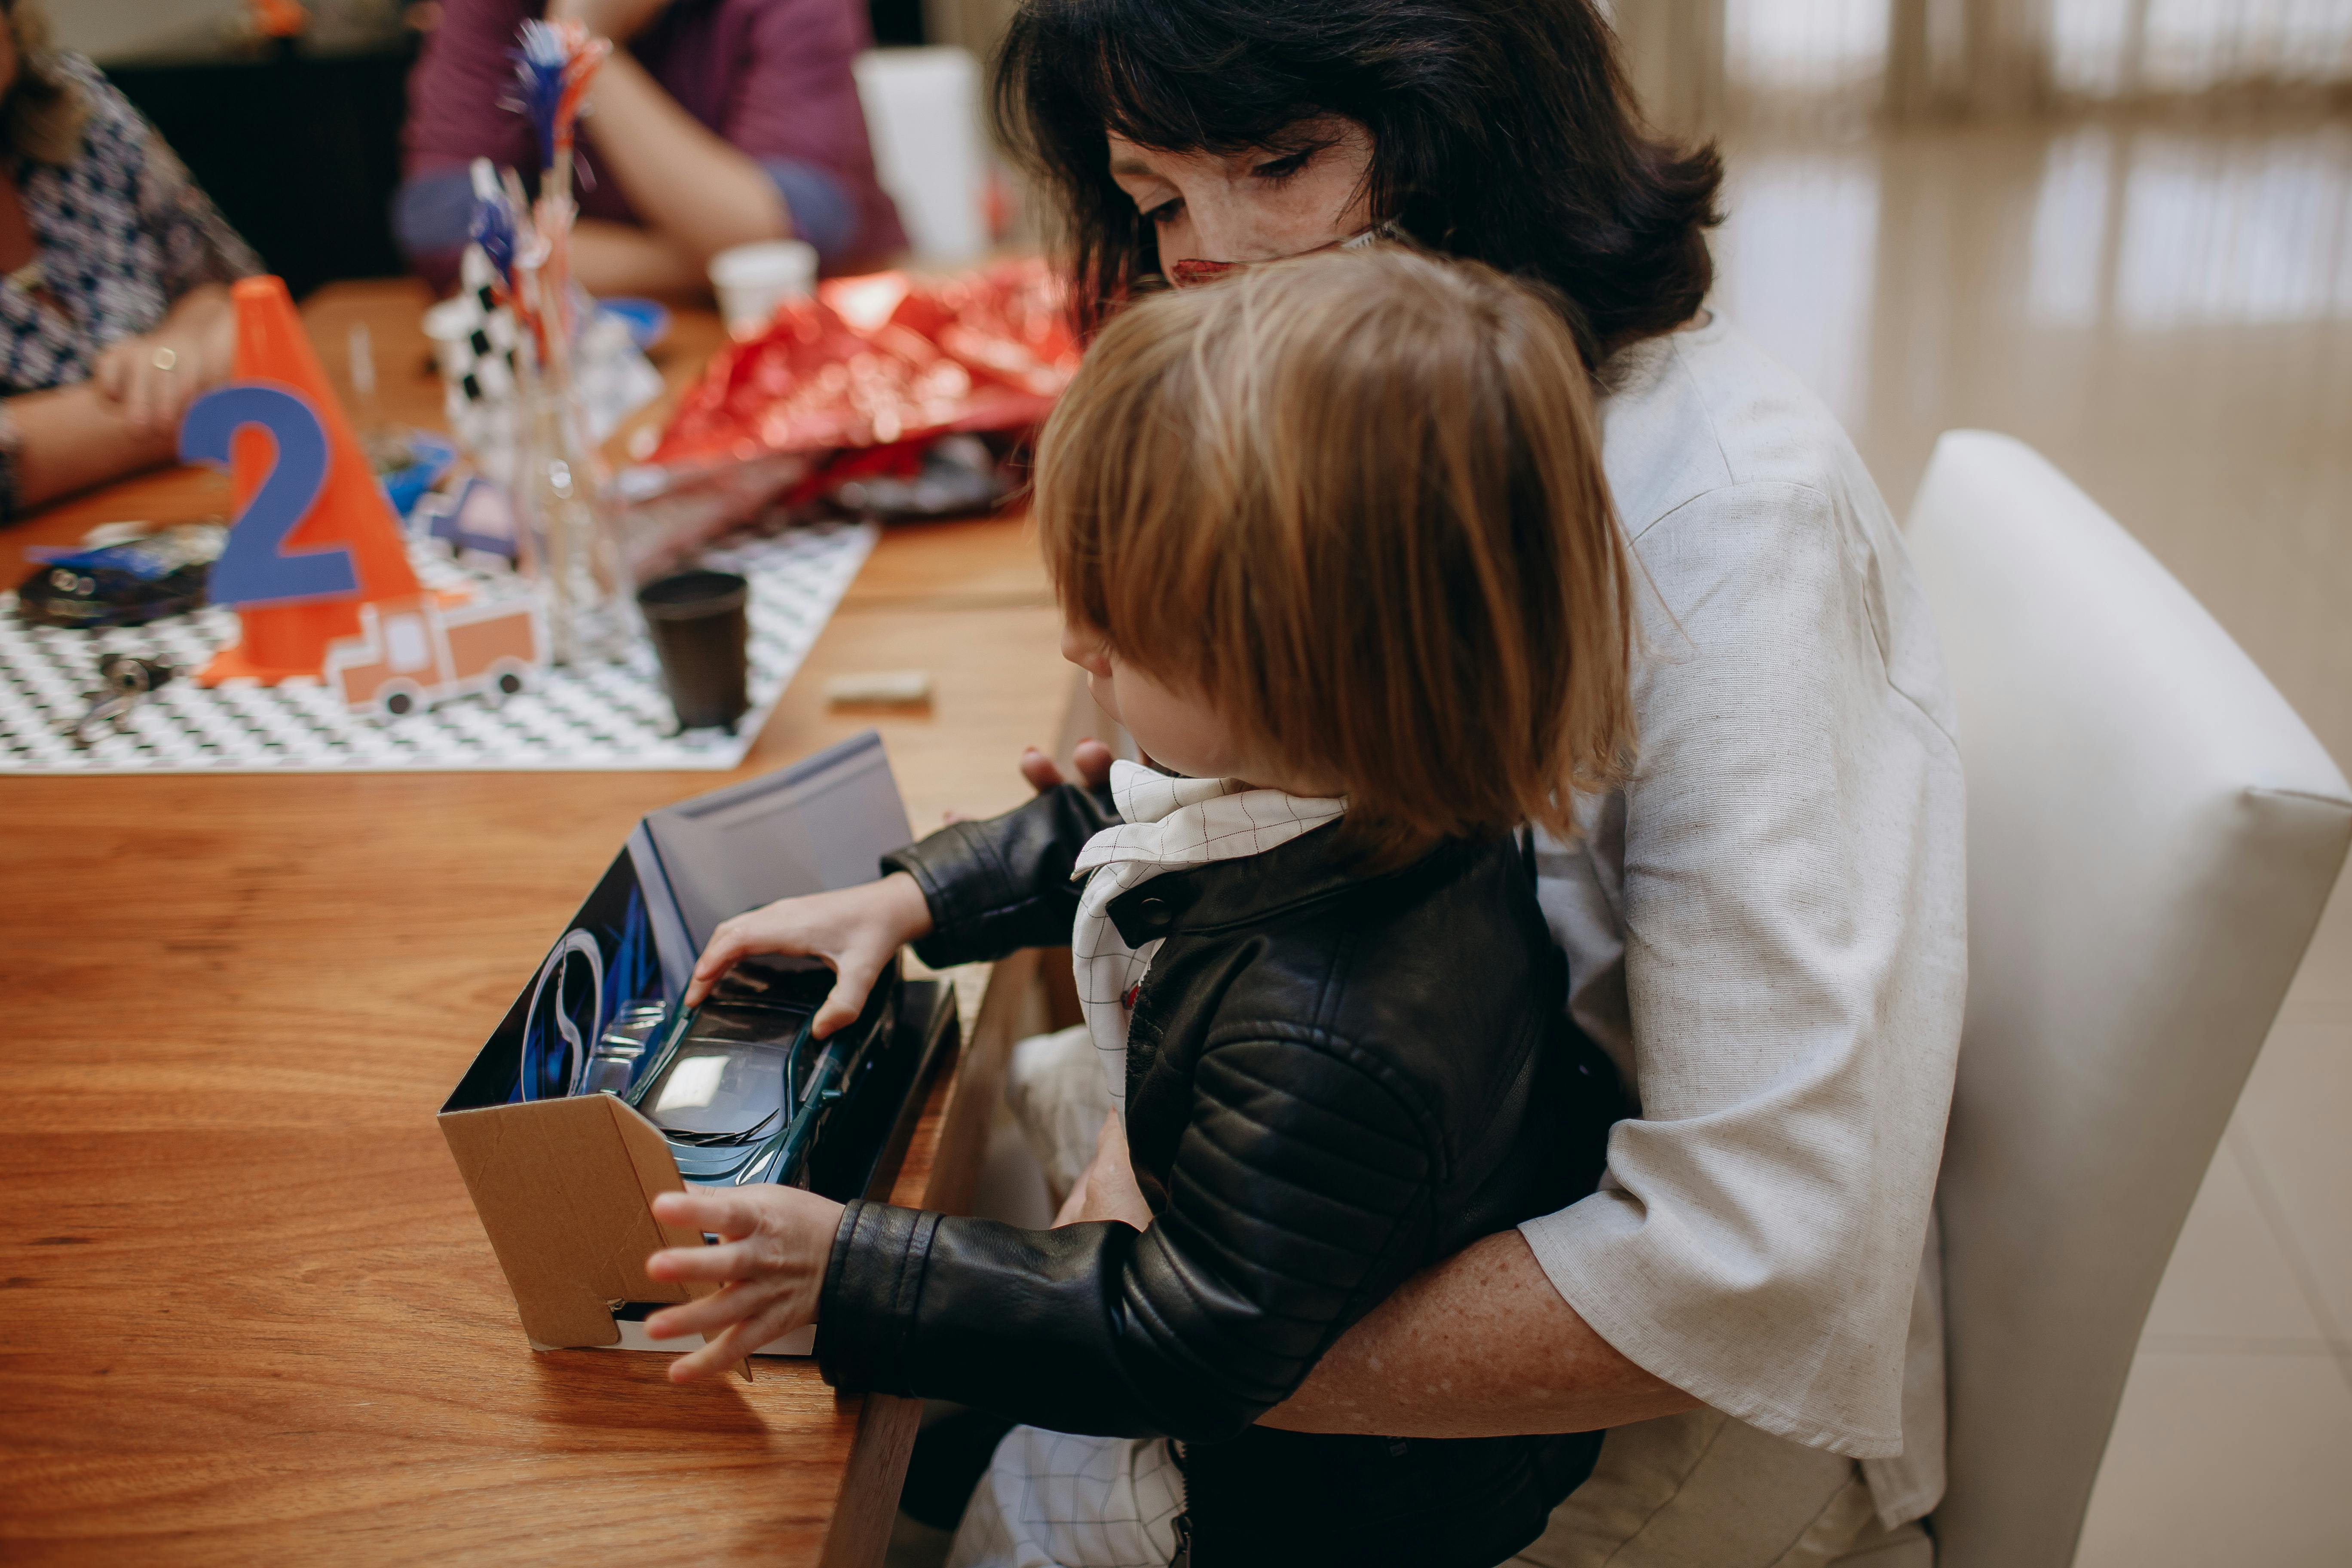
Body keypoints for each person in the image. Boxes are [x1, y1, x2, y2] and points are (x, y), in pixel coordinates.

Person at [993, 3, 1966, 1565]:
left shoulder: (1724, 527)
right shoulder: (1375, 447)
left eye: (1282, 161)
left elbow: (1761, 1258)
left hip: (1640, 1437)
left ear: (1475, 121)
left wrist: (1161, 1332)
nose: (1213, 257)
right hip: (1374, 1224)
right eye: (1159, 200)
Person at [640, 248, 1638, 1568]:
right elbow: (1119, 820)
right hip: (1233, 1307)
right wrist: (912, 898)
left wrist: (859, 1273)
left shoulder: (1327, 1036)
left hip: (1267, 1502)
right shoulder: (1369, 772)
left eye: (1119, 632)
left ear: (1305, 676)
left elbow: (1187, 1342)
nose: (1075, 650)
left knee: (1015, 1530)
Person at [395, 0, 905, 297]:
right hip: (598, 355)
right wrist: (713, 262)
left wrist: (581, 45)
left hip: (825, 340)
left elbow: (791, 230)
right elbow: (446, 235)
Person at [0, 0, 260, 523]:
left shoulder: (73, 100)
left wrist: (182, 342)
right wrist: (198, 394)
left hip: (179, 529)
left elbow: (239, 296)